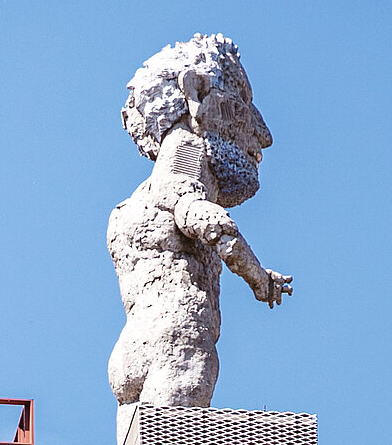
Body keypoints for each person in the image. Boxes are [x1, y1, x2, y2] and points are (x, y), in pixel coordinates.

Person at [108, 34, 291, 412]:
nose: (263, 133)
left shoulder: (131, 205)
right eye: (241, 103)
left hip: (132, 349)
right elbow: (208, 220)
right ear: (196, 94)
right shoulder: (183, 167)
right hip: (179, 339)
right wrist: (259, 277)